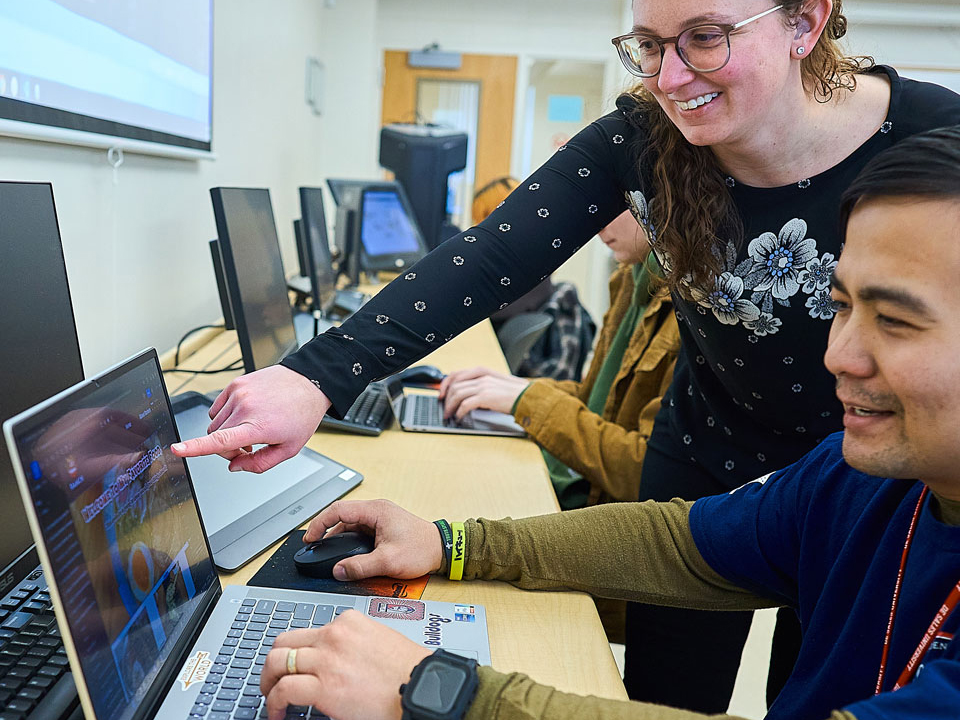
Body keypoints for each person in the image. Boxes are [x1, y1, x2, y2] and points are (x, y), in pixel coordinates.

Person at [173, 0, 960, 710]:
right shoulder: (645, 135)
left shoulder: (934, 148)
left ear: (804, 22)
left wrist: (438, 694)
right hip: (746, 463)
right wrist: (317, 377)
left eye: (706, 39)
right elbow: (490, 258)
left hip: (887, 468)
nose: (671, 76)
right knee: (680, 681)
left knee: (831, 673)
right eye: (648, 46)